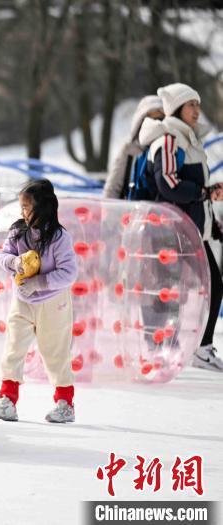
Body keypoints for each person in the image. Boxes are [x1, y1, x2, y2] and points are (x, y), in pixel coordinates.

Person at [143, 83, 223, 372]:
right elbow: (168, 184)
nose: (197, 110)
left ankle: (198, 347)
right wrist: (203, 192)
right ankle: (160, 348)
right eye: (191, 105)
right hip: (170, 229)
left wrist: (210, 214)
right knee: (168, 289)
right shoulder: (167, 141)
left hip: (191, 229)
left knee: (210, 284)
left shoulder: (188, 140)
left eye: (198, 105)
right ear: (176, 108)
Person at [0, 179, 79, 423]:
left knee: (55, 352)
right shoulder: (19, 232)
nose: (23, 212)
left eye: (27, 206)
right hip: (23, 301)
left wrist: (39, 283)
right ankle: (8, 400)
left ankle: (65, 403)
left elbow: (69, 273)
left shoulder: (60, 238)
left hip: (53, 304)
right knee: (13, 346)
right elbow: (2, 254)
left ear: (42, 207)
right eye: (21, 206)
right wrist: (14, 263)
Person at [103, 95, 164, 200]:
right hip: (130, 212)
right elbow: (113, 189)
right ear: (140, 121)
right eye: (150, 120)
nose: (155, 124)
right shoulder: (129, 150)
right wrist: (109, 214)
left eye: (160, 119)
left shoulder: (172, 148)